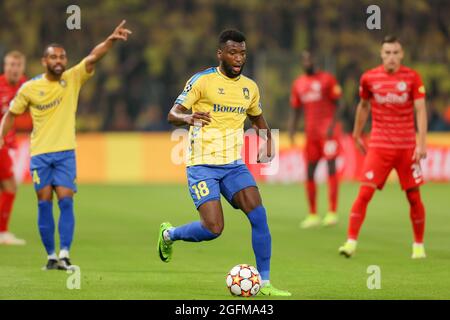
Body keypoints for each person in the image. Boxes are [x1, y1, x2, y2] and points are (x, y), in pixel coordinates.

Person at [159, 30, 291, 296]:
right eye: (233, 52)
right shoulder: (202, 81)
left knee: (259, 215)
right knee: (213, 228)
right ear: (220, 54)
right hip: (202, 165)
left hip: (233, 165)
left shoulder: (250, 87)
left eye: (242, 53)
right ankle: (169, 235)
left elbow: (257, 117)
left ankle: (264, 283)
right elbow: (172, 114)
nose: (238, 58)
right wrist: (188, 119)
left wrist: (267, 139)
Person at [0, 20, 132, 270]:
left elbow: (93, 57)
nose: (59, 61)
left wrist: (111, 40)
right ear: (44, 61)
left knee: (66, 200)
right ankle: (50, 256)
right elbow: (10, 114)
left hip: (65, 153)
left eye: (62, 57)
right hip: (40, 154)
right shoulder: (30, 88)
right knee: (43, 202)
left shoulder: (72, 78)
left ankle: (65, 253)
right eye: (54, 57)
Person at [339, 35, 428, 259]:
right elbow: (364, 106)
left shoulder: (412, 78)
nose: (391, 57)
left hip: (407, 147)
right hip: (379, 147)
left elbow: (420, 110)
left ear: (402, 54)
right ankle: (350, 242)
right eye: (387, 53)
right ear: (381, 54)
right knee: (364, 192)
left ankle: (418, 245)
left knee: (414, 196)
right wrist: (357, 132)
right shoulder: (369, 78)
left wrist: (422, 143)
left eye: (395, 52)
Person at [288, 51, 342, 228]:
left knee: (331, 168)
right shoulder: (299, 84)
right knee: (310, 171)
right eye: (304, 60)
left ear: (315, 61)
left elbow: (339, 104)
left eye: (310, 59)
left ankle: (332, 212)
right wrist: (292, 129)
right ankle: (312, 214)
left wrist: (332, 126)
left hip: (328, 134)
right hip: (311, 134)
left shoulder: (327, 80)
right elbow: (296, 109)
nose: (307, 63)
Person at [0, 51, 27, 245]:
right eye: (11, 65)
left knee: (8, 186)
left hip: (7, 144)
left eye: (18, 65)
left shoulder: (26, 86)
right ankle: (2, 232)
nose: (14, 69)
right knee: (9, 185)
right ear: (5, 66)